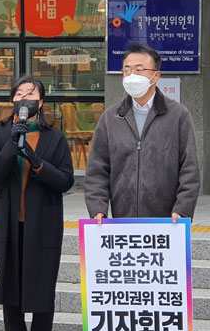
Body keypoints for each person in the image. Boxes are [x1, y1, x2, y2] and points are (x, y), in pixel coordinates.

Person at [0, 75, 74, 331]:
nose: (25, 98)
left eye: (31, 94)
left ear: (41, 102)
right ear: (13, 101)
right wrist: (14, 142)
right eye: (19, 94)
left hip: (43, 224)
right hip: (9, 224)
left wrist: (37, 163)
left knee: (41, 289)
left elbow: (66, 180)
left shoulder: (55, 137)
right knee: (10, 289)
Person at [85, 42, 200, 221]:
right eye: (127, 70)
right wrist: (97, 208)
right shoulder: (111, 117)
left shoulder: (177, 115)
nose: (132, 76)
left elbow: (189, 168)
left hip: (168, 220)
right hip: (122, 218)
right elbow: (97, 168)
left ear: (156, 76)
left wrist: (183, 209)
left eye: (139, 70)